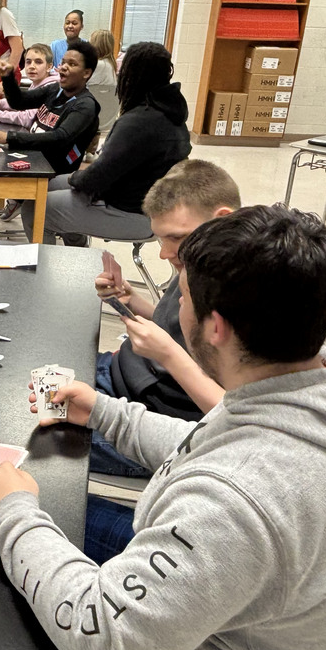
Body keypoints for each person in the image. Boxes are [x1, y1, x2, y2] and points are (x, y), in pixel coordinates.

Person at [0, 204, 326, 650]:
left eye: (182, 296)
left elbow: (103, 641)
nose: (176, 308)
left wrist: (16, 516)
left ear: (216, 327)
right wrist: (104, 413)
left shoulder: (235, 503)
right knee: (61, 506)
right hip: (251, 619)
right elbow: (211, 441)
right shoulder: (310, 393)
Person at [90, 159, 239, 484]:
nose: (164, 253)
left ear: (221, 221)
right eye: (160, 240)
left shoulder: (241, 292)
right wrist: (131, 301)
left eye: (176, 238)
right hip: (121, 378)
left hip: (157, 423)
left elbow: (238, 418)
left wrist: (168, 355)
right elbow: (173, 323)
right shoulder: (199, 260)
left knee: (28, 433)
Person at [19, 42, 191, 246]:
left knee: (34, 207)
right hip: (153, 206)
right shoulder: (171, 111)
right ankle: (76, 251)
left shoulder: (139, 121)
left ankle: (49, 274)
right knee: (46, 185)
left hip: (132, 213)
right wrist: (76, 179)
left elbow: (97, 178)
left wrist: (76, 179)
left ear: (134, 76)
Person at [0, 40, 100, 175]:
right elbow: (19, 102)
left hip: (53, 170)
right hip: (32, 156)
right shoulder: (55, 89)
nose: (64, 67)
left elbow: (59, 137)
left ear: (86, 73)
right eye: (63, 62)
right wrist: (8, 77)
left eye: (72, 64)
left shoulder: (86, 105)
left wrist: (9, 137)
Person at [0, 42, 59, 128]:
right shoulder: (36, 83)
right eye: (28, 62)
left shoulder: (51, 87)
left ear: (49, 67)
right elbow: (25, 103)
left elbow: (28, 119)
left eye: (38, 62)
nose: (32, 66)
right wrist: (1, 103)